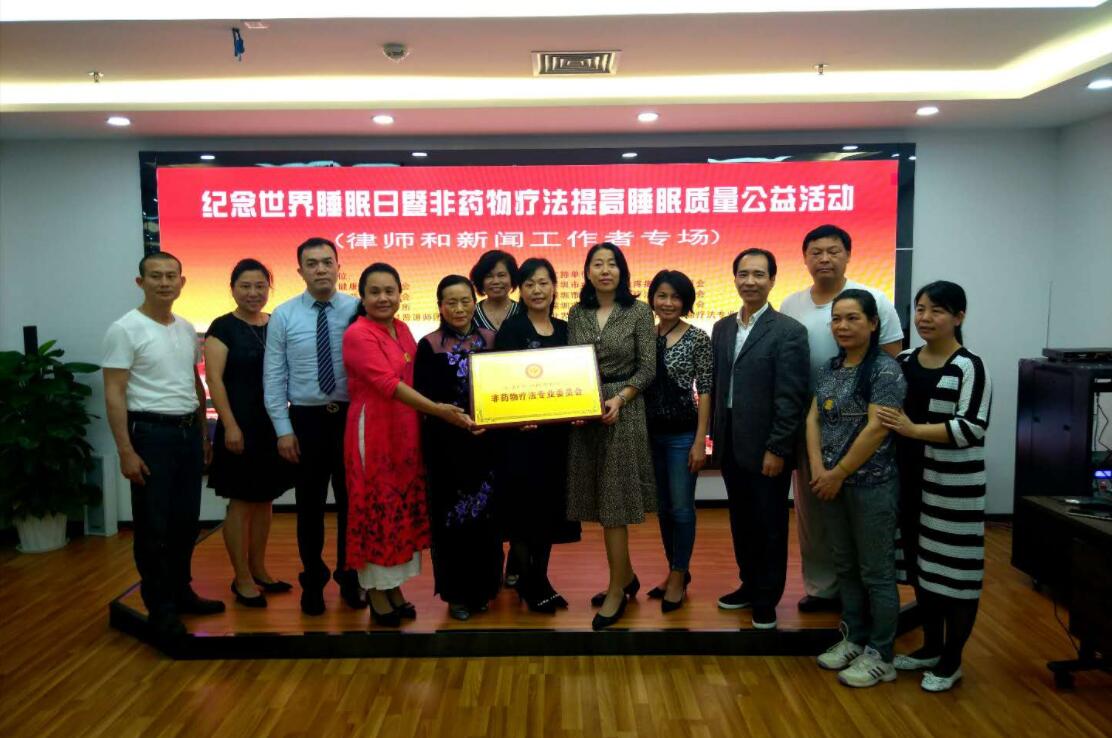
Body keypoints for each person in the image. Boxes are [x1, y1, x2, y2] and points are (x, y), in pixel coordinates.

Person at [780, 224, 905, 614]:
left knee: (865, 515)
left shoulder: (874, 298)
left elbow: (890, 358)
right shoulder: (791, 304)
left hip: (863, 423)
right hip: (812, 422)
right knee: (814, 509)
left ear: (848, 255)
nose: (824, 259)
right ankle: (822, 588)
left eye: (833, 251)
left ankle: (867, 594)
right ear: (804, 258)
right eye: (816, 252)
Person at [342, 263, 476, 627]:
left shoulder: (401, 329)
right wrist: (439, 410)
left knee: (399, 511)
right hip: (374, 431)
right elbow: (388, 385)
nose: (383, 298)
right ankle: (376, 593)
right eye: (375, 292)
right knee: (376, 510)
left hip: (407, 430)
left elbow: (418, 378)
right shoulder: (357, 334)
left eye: (390, 291)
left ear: (401, 294)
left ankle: (394, 589)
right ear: (362, 296)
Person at [102, 251, 224, 640]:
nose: (165, 282)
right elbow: (114, 393)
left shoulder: (186, 328)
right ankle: (160, 607)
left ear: (182, 282)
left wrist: (204, 433)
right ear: (140, 282)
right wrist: (125, 450)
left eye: (172, 275)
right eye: (156, 276)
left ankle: (181, 591)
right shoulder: (124, 329)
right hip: (150, 435)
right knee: (153, 525)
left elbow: (193, 381)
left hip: (188, 432)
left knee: (186, 521)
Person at [879, 281, 991, 692]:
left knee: (956, 576)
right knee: (921, 568)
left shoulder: (969, 366)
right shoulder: (905, 359)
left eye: (937, 311)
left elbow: (972, 426)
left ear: (959, 316)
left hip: (951, 488)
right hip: (909, 482)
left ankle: (951, 660)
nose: (925, 318)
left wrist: (913, 429)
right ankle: (931, 646)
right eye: (920, 309)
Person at [808, 289, 906, 688]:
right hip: (831, 485)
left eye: (853, 318)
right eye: (837, 319)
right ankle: (854, 638)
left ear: (873, 323)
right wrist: (819, 469)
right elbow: (813, 418)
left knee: (876, 571)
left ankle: (882, 654)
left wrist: (839, 472)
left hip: (871, 486)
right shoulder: (830, 368)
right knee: (845, 565)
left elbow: (878, 427)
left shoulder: (886, 370)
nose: (843, 326)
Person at [263, 237, 363, 615]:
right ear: (300, 270)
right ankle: (314, 581)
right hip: (306, 421)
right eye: (312, 263)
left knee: (352, 505)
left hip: (351, 418)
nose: (321, 269)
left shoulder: (358, 309)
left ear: (338, 266)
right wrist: (283, 429)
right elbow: (274, 376)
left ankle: (350, 576)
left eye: (327, 262)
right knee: (309, 507)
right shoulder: (284, 315)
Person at [710, 249, 810, 629]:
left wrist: (777, 447)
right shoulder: (722, 328)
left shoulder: (788, 331)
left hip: (767, 446)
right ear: (734, 278)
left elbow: (791, 397)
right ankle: (748, 585)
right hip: (731, 442)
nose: (750, 281)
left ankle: (767, 598)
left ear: (772, 280)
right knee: (742, 521)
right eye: (743, 274)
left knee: (769, 523)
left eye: (758, 274)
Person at [566, 243, 657, 630]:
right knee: (601, 500)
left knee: (614, 505)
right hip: (586, 413)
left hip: (623, 411)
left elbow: (648, 368)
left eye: (612, 264)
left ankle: (616, 589)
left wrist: (619, 399)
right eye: (597, 264)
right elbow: (570, 364)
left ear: (622, 271)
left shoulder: (639, 311)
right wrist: (573, 406)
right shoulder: (577, 312)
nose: (605, 270)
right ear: (587, 272)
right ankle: (627, 576)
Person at [492, 258, 582, 613]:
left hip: (556, 439)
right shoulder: (512, 329)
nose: (537, 290)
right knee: (523, 513)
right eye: (529, 284)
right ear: (521, 290)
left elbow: (576, 379)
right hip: (521, 438)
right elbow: (501, 380)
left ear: (555, 287)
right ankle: (531, 583)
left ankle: (541, 578)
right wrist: (515, 418)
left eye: (543, 282)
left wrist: (581, 408)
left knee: (549, 513)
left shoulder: (565, 329)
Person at [204, 259, 294, 608]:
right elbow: (214, 381)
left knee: (265, 499)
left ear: (269, 288)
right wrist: (229, 425)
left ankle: (259, 568)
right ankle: (241, 576)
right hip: (238, 425)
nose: (253, 293)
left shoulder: (276, 323)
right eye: (245, 286)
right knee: (241, 502)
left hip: (272, 425)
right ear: (232, 289)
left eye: (260, 286)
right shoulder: (222, 327)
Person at [413, 275, 502, 621]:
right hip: (446, 445)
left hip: (487, 443)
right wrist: (453, 418)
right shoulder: (429, 345)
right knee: (450, 520)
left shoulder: (492, 339)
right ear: (440, 306)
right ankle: (456, 594)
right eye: (451, 302)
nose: (460, 308)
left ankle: (484, 589)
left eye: (465, 300)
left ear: (474, 302)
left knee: (486, 518)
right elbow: (424, 399)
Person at [642, 269, 712, 613]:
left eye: (675, 297)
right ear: (652, 299)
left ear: (686, 302)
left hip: (683, 435)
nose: (668, 303)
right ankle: (676, 571)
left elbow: (707, 390)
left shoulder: (697, 337)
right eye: (662, 295)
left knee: (683, 509)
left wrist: (701, 441)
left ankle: (678, 572)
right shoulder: (645, 335)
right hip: (649, 434)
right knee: (664, 509)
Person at [471, 250, 521, 332]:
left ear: (512, 278)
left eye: (501, 275)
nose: (496, 281)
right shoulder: (471, 314)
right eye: (489, 276)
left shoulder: (524, 311)